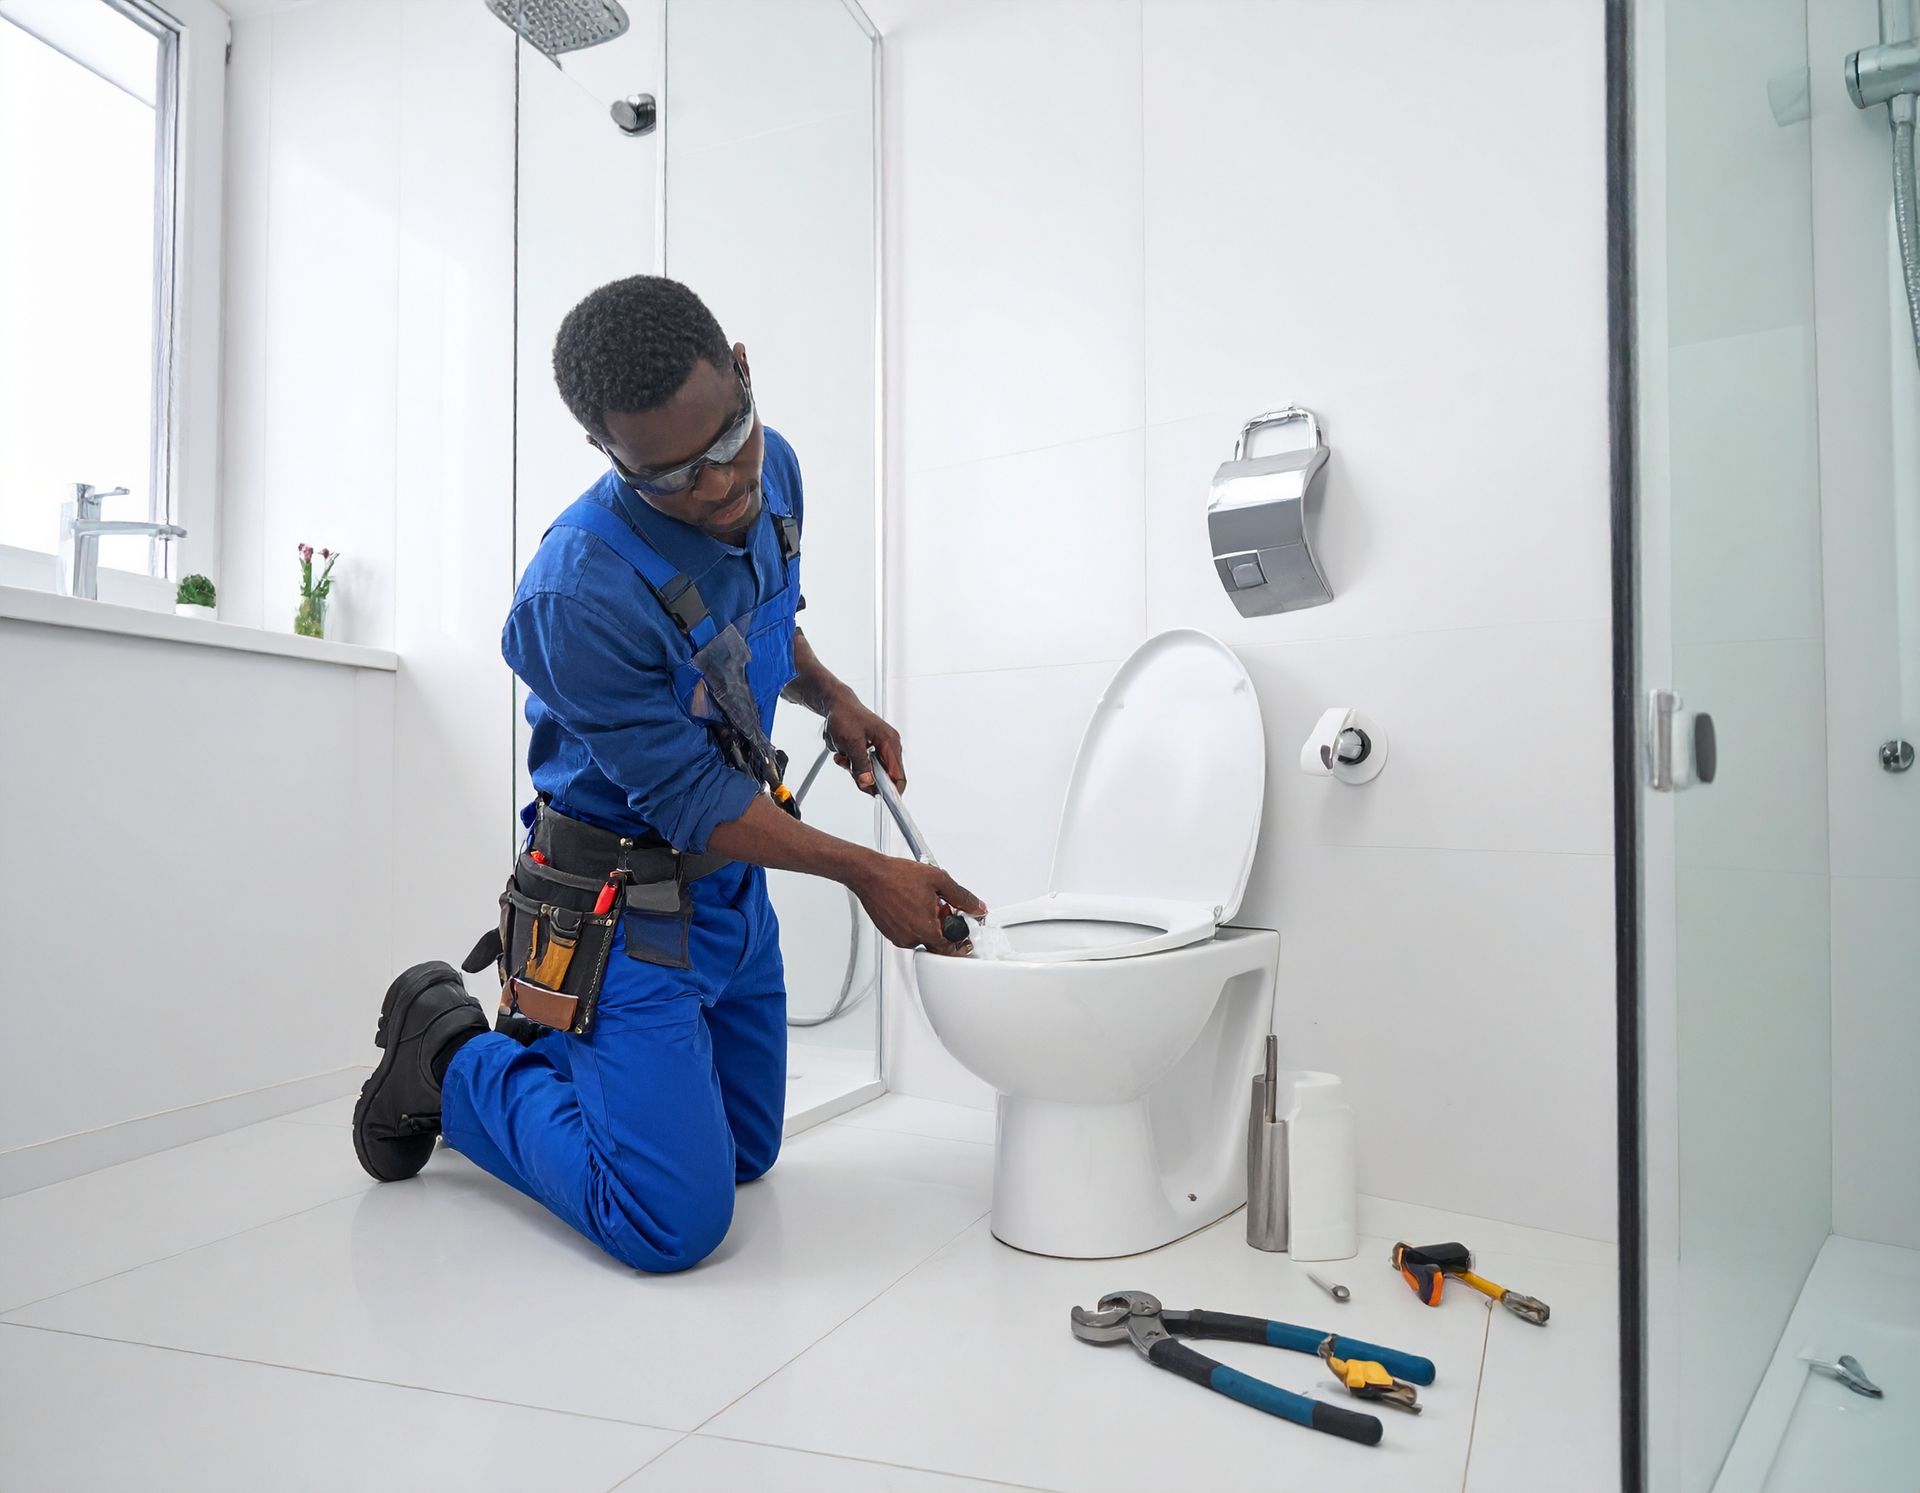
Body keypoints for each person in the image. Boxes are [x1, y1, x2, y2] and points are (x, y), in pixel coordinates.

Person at [350, 275, 984, 1272]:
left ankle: (569, 1055)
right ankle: (452, 1056)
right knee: (672, 1221)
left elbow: (760, 623)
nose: (723, 487)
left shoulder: (776, 480)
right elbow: (691, 798)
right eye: (675, 478)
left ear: (740, 370)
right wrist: (867, 873)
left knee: (747, 1153)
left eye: (730, 443)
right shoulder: (576, 593)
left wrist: (836, 698)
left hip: (730, 893)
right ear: (611, 457)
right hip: (621, 912)